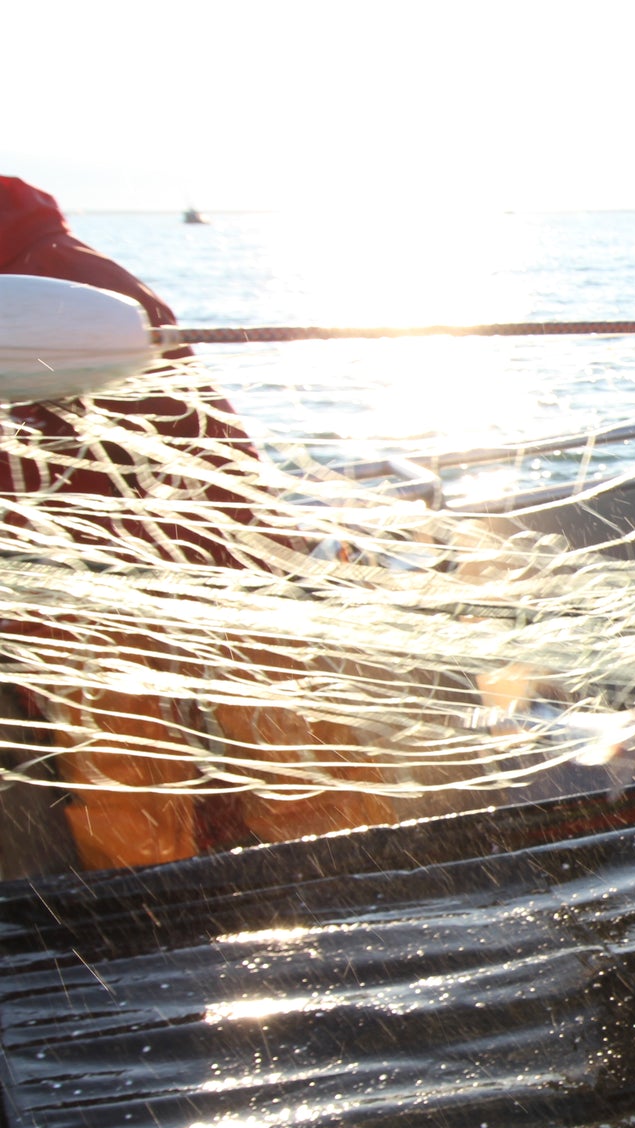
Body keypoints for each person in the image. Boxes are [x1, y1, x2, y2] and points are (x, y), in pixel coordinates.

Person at [0, 177, 389, 869]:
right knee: (139, 764)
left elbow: (194, 442)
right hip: (77, 584)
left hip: (199, 559)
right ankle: (171, 918)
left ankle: (354, 883)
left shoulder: (60, 278)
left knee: (281, 738)